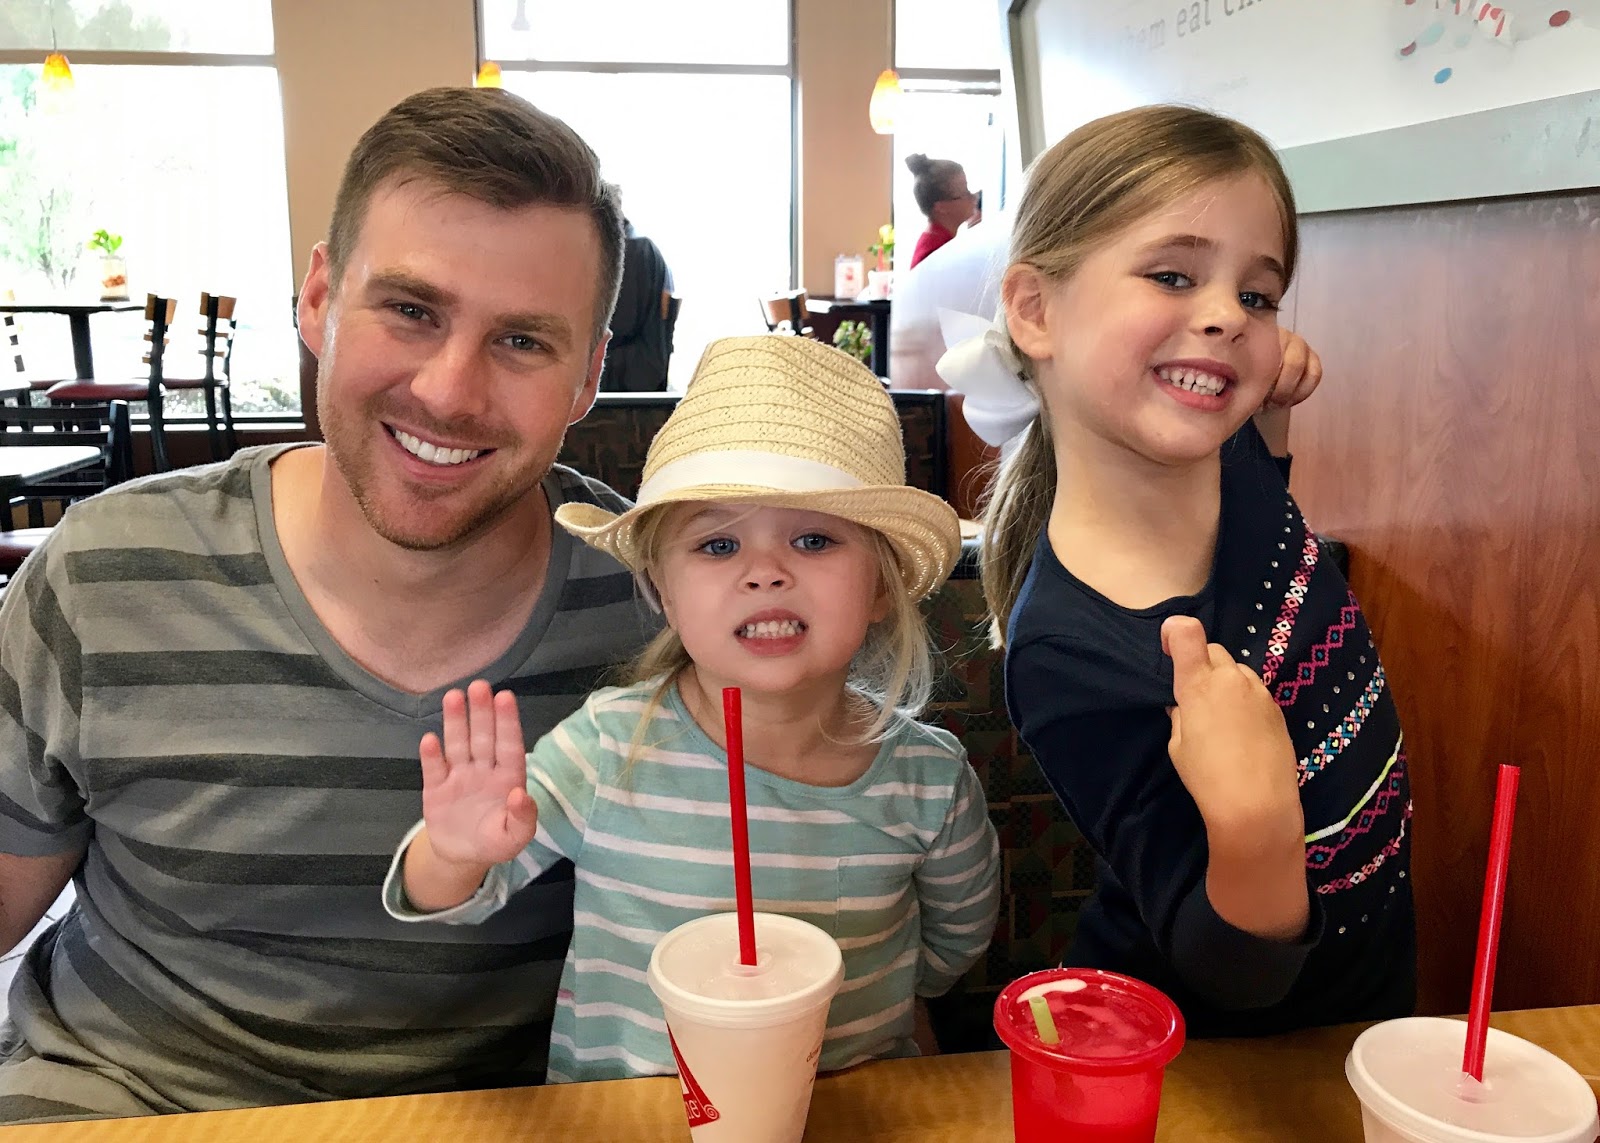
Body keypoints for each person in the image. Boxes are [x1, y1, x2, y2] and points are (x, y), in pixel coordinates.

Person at [0, 87, 659, 1123]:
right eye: (411, 310)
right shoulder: (102, 576)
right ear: (317, 299)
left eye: (524, 341)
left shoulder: (664, 610)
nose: (448, 392)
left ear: (586, 376)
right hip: (126, 1103)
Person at [384, 334, 1002, 1082]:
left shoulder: (929, 779)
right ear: (665, 592)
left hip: (851, 1108)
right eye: (717, 545)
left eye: (814, 539)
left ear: (880, 585)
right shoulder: (608, 747)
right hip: (630, 1119)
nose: (765, 573)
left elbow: (953, 946)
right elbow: (459, 898)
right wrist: (454, 853)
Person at [939, 105, 1414, 1037]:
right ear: (1035, 309)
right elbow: (1226, 969)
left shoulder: (1232, 458)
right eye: (1173, 275)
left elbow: (1265, 512)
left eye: (1259, 296)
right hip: (1221, 1066)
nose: (1227, 315)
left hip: (1372, 1009)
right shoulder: (1068, 648)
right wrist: (1257, 827)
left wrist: (1265, 397)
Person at [597, 212, 675, 392]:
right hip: (646, 377)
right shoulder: (645, 250)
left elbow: (623, 325)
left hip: (625, 382)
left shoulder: (637, 252)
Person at [905, 154, 978, 269]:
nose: (974, 197)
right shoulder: (934, 254)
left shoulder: (942, 241)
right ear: (941, 207)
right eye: (965, 193)